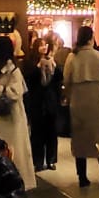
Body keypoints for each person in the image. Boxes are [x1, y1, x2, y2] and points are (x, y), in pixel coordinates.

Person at [63, 26, 99, 187]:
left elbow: (66, 80)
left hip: (77, 101)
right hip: (96, 101)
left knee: (80, 140)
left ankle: (82, 177)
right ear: (91, 38)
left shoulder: (72, 57)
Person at [0, 37, 34, 189]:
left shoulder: (14, 70)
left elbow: (15, 93)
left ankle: (17, 182)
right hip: (0, 115)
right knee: (3, 147)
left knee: (14, 149)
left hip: (13, 115)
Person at [23, 36, 61, 172]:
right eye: (41, 45)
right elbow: (27, 80)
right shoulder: (29, 62)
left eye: (45, 45)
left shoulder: (52, 61)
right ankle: (38, 161)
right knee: (37, 133)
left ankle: (51, 160)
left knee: (51, 131)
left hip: (50, 101)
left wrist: (54, 67)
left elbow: (58, 79)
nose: (44, 47)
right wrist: (38, 67)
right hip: (37, 102)